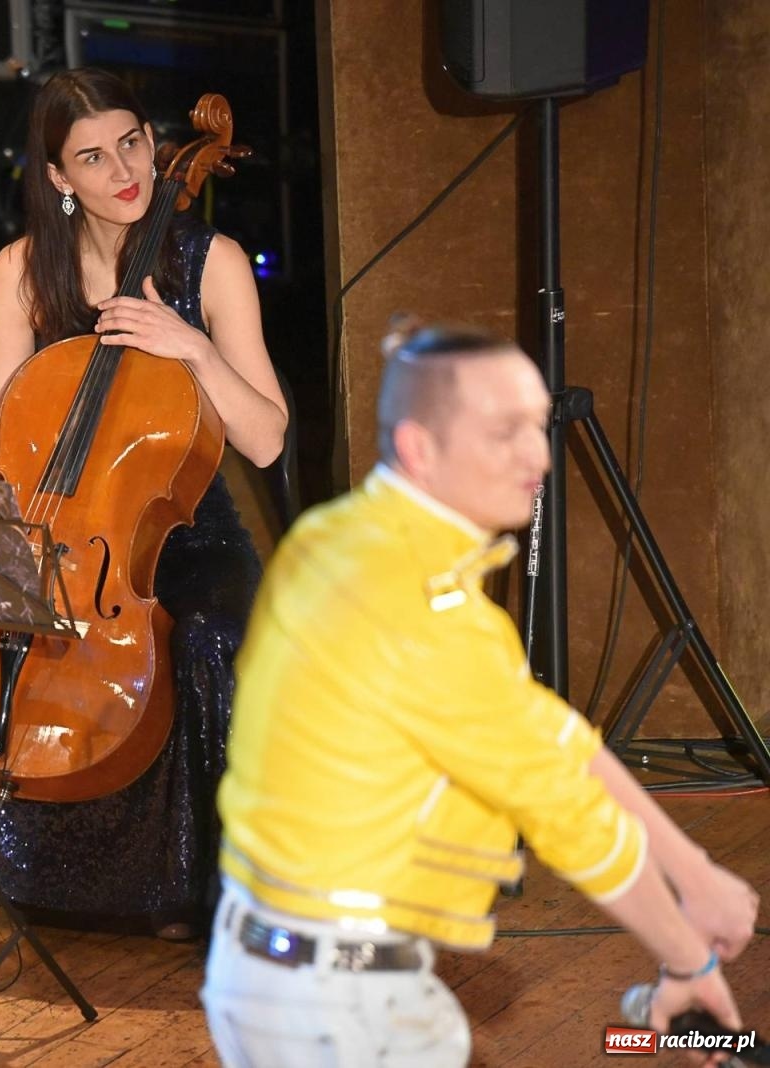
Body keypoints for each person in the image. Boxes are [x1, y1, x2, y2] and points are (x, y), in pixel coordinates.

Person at [200, 319, 758, 1066]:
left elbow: (544, 732)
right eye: (505, 432)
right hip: (334, 1008)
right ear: (420, 448)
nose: (539, 457)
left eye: (538, 424)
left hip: (290, 972)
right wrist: (689, 960)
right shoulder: (426, 608)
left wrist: (694, 873)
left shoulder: (330, 536)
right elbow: (566, 811)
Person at [0, 68, 288, 937]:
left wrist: (188, 344)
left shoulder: (211, 262)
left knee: (201, 642)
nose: (126, 169)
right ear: (56, 178)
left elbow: (266, 436)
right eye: (93, 155)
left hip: (177, 541)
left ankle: (186, 891)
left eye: (134, 141)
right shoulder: (20, 270)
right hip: (45, 523)